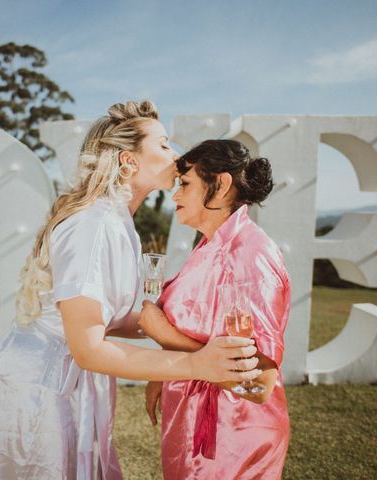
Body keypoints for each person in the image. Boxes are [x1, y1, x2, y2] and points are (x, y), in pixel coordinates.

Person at [0, 103, 262, 480]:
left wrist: (179, 329)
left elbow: (111, 317)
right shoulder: (93, 225)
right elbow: (89, 346)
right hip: (42, 394)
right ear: (129, 161)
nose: (176, 157)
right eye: (163, 145)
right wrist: (196, 365)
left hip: (70, 386)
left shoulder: (118, 222)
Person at [138, 139, 291, 479]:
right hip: (193, 431)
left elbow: (258, 383)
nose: (175, 196)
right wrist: (160, 375)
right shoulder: (211, 245)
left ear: (220, 185)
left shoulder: (251, 256)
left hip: (233, 440)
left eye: (185, 184)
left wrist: (163, 334)